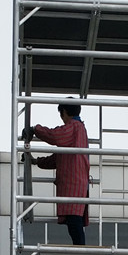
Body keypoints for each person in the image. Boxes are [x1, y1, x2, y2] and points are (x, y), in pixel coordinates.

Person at [24, 103, 89, 244]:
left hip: (73, 183)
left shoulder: (74, 126)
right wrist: (36, 161)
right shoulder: (78, 130)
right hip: (75, 182)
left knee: (74, 221)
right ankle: (80, 249)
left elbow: (55, 136)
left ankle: (81, 250)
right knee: (73, 221)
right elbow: (57, 158)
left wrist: (35, 129)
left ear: (64, 112)